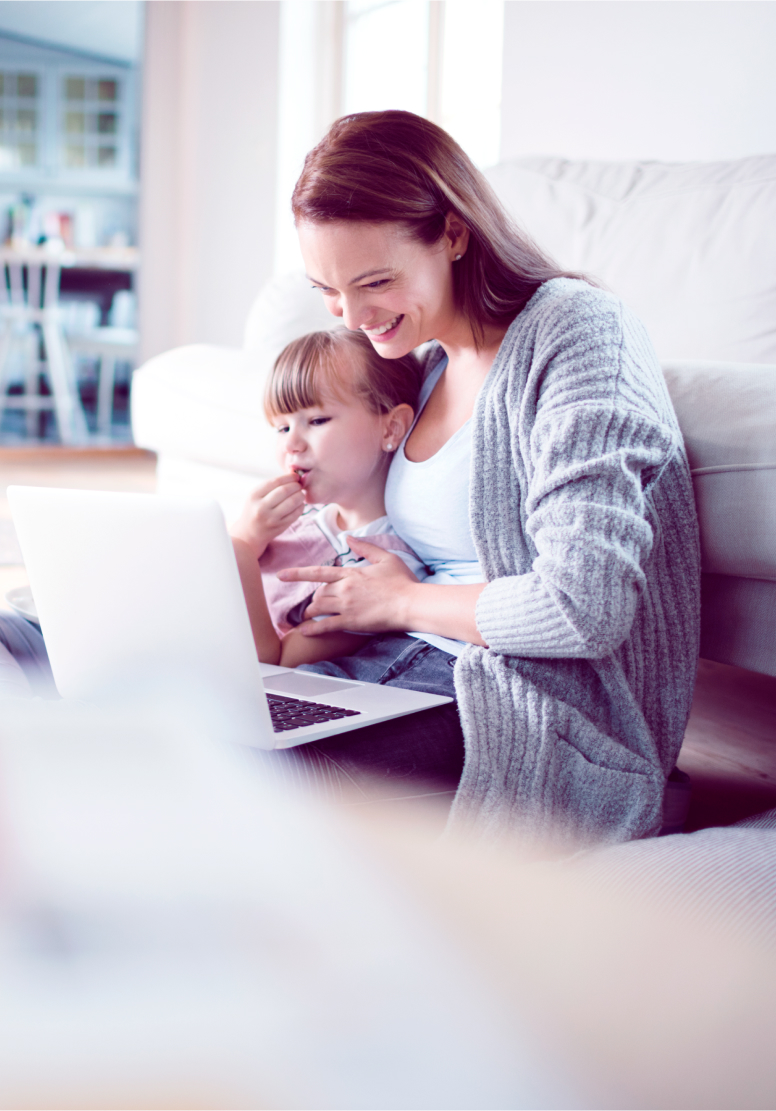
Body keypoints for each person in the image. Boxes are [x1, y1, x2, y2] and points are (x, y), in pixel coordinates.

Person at [268, 109, 699, 845]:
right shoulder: (429, 364)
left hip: (531, 706)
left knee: (250, 785)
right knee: (171, 723)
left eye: (375, 281)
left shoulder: (578, 333)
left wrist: (404, 599)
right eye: (330, 291)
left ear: (455, 233)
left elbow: (584, 604)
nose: (354, 316)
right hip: (398, 663)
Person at [229, 328, 426, 670]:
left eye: (316, 420)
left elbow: (276, 663)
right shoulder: (289, 523)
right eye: (282, 427)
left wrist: (241, 547)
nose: (291, 444)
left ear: (390, 428)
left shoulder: (386, 568)